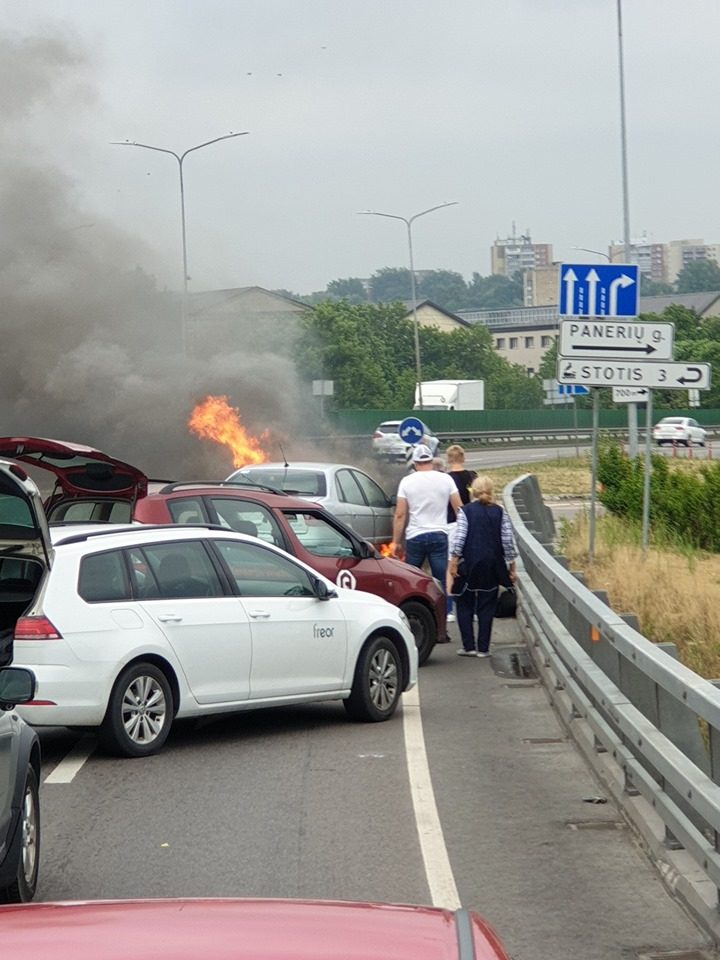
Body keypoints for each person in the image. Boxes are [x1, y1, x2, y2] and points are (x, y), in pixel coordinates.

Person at [448, 474, 516, 658]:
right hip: (492, 565)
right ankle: (483, 649)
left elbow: (460, 538)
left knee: (464, 603)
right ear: (491, 491)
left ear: (474, 492)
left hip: (469, 564)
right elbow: (507, 541)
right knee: (487, 605)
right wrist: (511, 567)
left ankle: (468, 646)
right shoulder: (500, 512)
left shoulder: (465, 511)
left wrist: (454, 562)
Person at [391, 444, 462, 589]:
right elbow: (459, 510)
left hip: (415, 536)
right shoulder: (446, 479)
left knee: (411, 578)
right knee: (442, 578)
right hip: (440, 534)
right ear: (431, 461)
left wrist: (395, 542)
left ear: (415, 464)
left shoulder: (406, 482)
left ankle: (415, 607)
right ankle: (446, 610)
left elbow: (400, 515)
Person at [444, 444, 476, 622]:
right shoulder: (472, 477)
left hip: (450, 524)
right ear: (463, 458)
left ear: (448, 459)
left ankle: (450, 609)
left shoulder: (445, 479)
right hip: (469, 521)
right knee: (470, 564)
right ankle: (474, 609)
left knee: (450, 566)